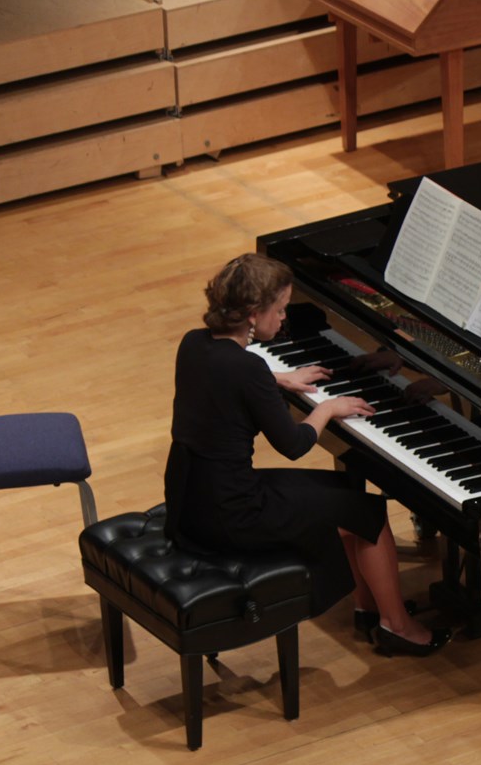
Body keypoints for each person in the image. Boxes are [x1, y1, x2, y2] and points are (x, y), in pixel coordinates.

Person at [164, 253, 449, 656]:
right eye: (280, 309)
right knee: (369, 514)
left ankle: (368, 608)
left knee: (346, 489)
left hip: (192, 501)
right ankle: (397, 626)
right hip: (234, 514)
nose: (284, 318)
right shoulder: (248, 369)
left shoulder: (193, 343)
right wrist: (328, 408)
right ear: (253, 314)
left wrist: (278, 378)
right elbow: (295, 445)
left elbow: (230, 375)